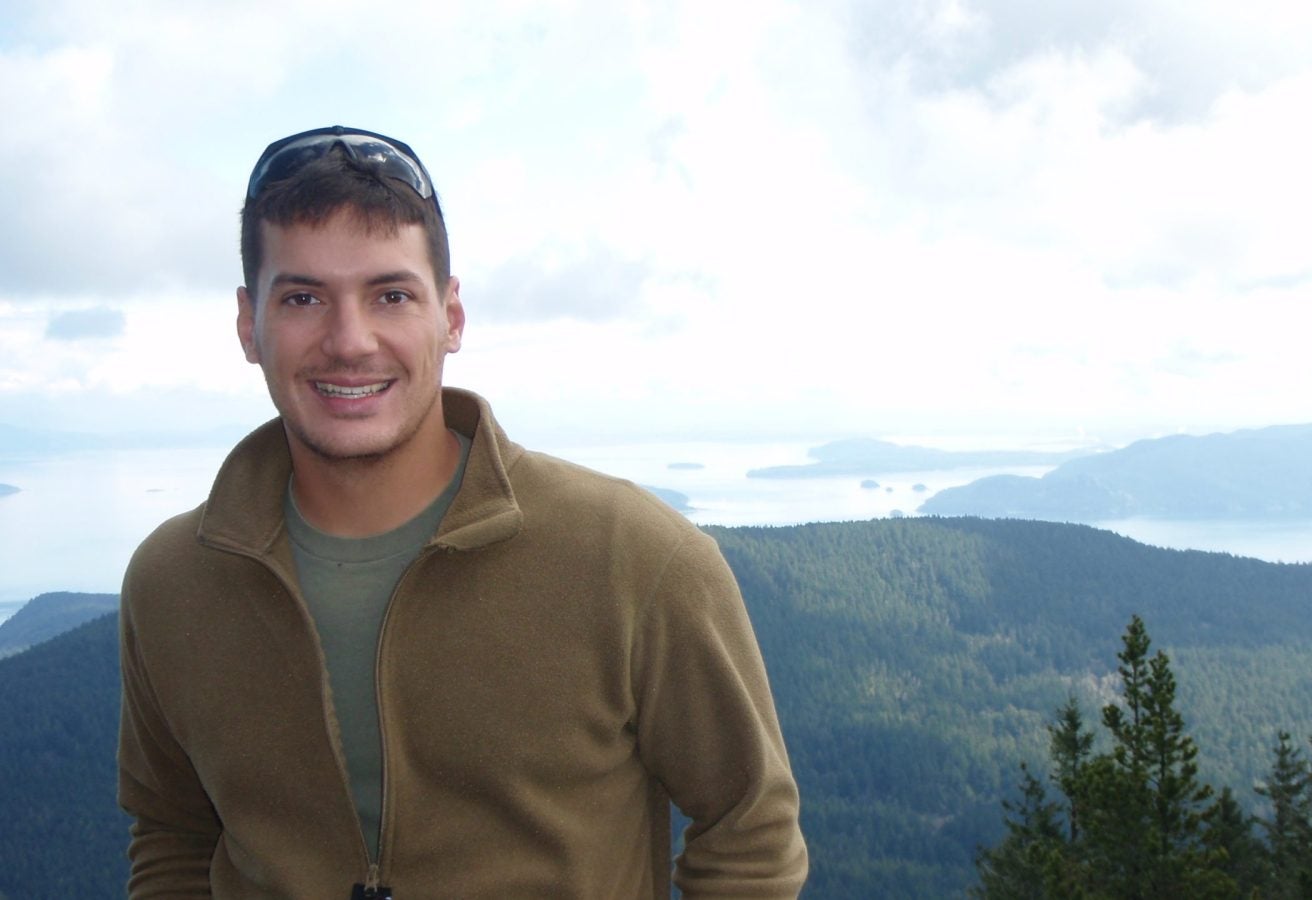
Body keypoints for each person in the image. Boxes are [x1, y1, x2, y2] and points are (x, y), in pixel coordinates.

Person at [116, 126, 807, 898]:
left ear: (452, 316)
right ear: (250, 324)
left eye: (392, 295)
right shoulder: (173, 582)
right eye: (304, 297)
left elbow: (749, 830)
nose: (350, 341)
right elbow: (173, 834)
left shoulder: (632, 558)